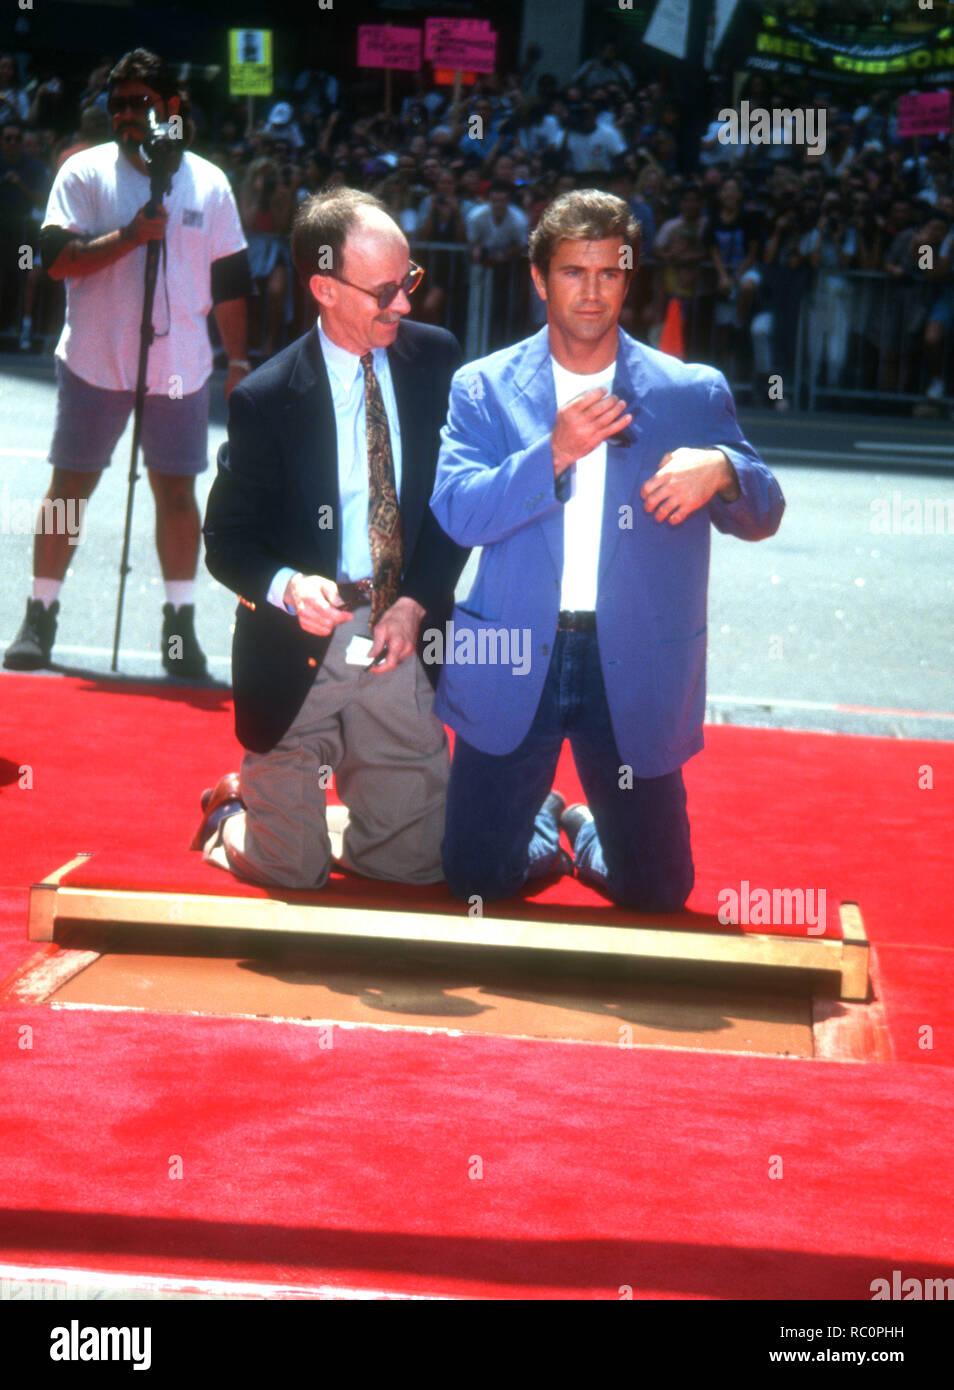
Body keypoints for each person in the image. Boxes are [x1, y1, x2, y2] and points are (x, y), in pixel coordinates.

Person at [429, 189, 785, 911]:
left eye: (610, 273)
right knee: (473, 883)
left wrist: (723, 470)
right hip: (509, 653)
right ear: (538, 278)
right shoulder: (484, 387)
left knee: (657, 894)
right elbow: (459, 513)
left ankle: (586, 826)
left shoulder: (689, 391)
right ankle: (536, 824)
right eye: (572, 272)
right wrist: (552, 453)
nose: (591, 292)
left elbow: (764, 511)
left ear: (630, 278)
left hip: (634, 658)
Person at [194, 187, 468, 891]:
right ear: (324, 288)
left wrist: (418, 600)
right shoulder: (265, 396)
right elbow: (225, 540)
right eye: (384, 291)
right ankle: (233, 809)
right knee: (292, 871)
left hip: (399, 635)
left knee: (409, 870)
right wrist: (288, 587)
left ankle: (335, 816)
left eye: (409, 282)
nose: (405, 305)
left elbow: (452, 507)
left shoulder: (435, 360)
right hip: (297, 649)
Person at [3, 48, 251, 676]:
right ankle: (40, 612)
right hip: (93, 360)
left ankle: (179, 627)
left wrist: (241, 361)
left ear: (172, 107)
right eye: (116, 105)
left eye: (139, 103)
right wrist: (132, 236)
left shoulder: (208, 182)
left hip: (181, 368)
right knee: (69, 490)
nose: (126, 116)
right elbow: (56, 260)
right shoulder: (83, 173)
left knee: (176, 493)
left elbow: (231, 281)